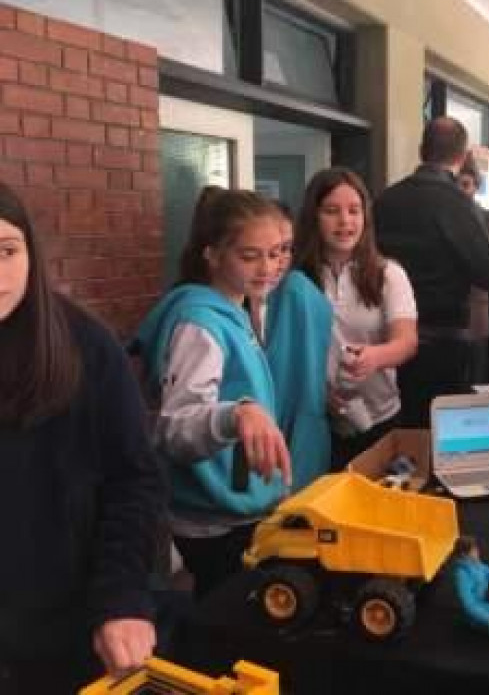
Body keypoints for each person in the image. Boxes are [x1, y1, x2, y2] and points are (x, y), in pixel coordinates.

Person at [0, 184, 164, 692]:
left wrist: (121, 597)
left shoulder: (87, 350)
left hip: (63, 634)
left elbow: (132, 481)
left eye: (6, 251)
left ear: (31, 252)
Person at [136, 189, 292, 599]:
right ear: (213, 254)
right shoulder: (201, 324)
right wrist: (235, 414)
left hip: (231, 503)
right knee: (228, 619)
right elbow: (175, 426)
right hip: (215, 517)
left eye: (276, 253)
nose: (268, 268)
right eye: (250, 255)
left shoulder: (234, 308)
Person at [374, 117, 489, 426]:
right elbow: (488, 272)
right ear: (462, 156)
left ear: (421, 150)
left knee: (396, 433)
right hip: (443, 343)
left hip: (386, 340)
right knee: (438, 439)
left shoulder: (385, 199)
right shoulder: (459, 205)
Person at [294, 167, 418, 470]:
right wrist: (317, 392)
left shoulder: (388, 273)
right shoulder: (296, 277)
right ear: (314, 216)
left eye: (354, 210)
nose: (345, 221)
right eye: (331, 211)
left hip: (379, 418)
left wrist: (375, 357)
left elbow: (407, 341)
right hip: (317, 420)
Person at [263, 201, 334, 487]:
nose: (277, 260)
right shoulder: (218, 307)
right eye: (268, 251)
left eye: (285, 249)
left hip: (293, 437)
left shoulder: (295, 292)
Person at [458, 152, 489, 385]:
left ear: (475, 186)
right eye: (457, 184)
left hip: (478, 308)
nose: (462, 191)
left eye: (466, 184)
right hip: (448, 310)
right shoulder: (443, 215)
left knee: (476, 375)